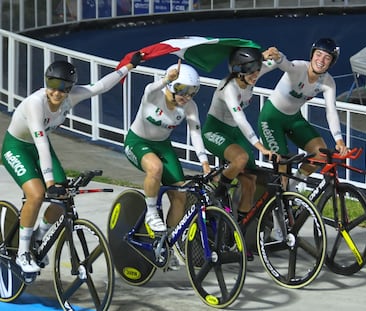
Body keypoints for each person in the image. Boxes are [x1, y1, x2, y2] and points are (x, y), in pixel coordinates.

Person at [1, 52, 142, 273]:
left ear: (70, 89)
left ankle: (38, 236)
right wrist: (50, 183)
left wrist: (128, 67)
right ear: (46, 82)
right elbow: (41, 146)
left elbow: (100, 86)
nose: (56, 92)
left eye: (63, 87)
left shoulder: (70, 97)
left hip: (40, 147)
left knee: (63, 197)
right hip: (17, 147)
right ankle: (22, 254)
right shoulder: (35, 104)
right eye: (52, 84)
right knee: (37, 195)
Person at [124, 60, 210, 269]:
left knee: (180, 195)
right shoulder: (153, 95)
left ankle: (165, 244)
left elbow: (195, 132)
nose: (186, 97)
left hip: (163, 147)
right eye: (182, 90)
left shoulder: (189, 106)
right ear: (172, 86)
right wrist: (166, 79)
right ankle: (152, 213)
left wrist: (204, 162)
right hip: (137, 142)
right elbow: (151, 87)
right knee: (155, 168)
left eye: (192, 92)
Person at [201, 46, 279, 257]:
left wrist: (274, 55)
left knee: (250, 182)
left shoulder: (250, 73)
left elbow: (277, 63)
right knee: (241, 158)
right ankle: (218, 189)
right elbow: (241, 120)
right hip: (214, 130)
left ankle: (240, 231)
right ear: (238, 71)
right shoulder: (228, 88)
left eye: (256, 71)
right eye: (251, 72)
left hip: (234, 133)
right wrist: (259, 146)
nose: (255, 76)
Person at [258, 38, 348, 190]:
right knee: (282, 166)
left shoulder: (328, 82)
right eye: (318, 55)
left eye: (327, 58)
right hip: (271, 118)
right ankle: (278, 207)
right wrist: (278, 56)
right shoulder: (300, 67)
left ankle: (292, 188)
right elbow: (286, 64)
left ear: (331, 62)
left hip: (293, 118)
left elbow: (331, 111)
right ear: (312, 55)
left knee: (321, 155)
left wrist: (339, 140)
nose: (321, 60)